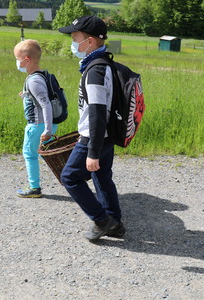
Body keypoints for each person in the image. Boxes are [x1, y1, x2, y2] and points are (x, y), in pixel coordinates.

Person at [58, 15, 125, 242]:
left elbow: (97, 111)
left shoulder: (94, 71)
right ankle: (115, 222)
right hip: (106, 136)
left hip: (93, 137)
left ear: (90, 41)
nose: (73, 43)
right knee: (102, 178)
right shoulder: (104, 63)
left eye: (75, 37)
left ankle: (102, 220)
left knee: (70, 177)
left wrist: (92, 151)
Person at [13, 39, 57, 198]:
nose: (16, 63)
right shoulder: (41, 75)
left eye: (17, 60)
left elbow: (45, 104)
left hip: (37, 126)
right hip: (44, 124)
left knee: (29, 154)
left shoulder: (34, 80)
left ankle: (34, 188)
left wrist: (47, 130)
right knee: (46, 154)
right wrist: (26, 96)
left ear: (26, 60)